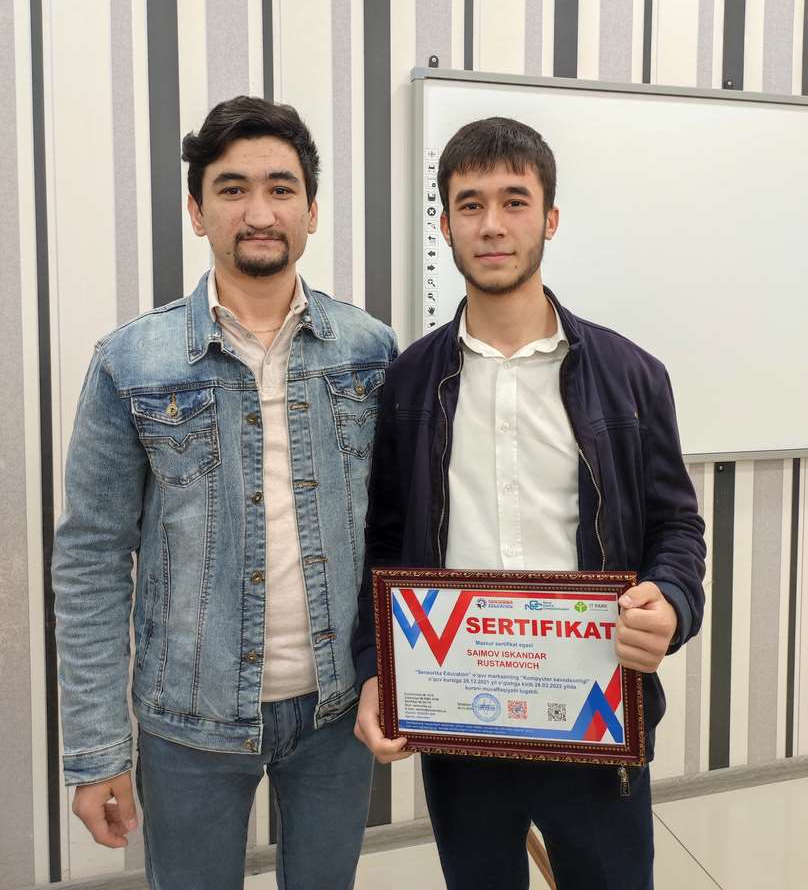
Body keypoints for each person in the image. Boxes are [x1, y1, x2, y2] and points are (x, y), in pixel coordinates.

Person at [352, 117, 706, 889]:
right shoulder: (409, 384)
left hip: (597, 713)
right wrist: (378, 667)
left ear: (550, 218)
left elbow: (677, 525)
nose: (492, 224)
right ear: (446, 225)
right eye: (470, 204)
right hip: (458, 721)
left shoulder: (632, 375)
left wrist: (674, 602)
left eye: (515, 201)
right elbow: (384, 541)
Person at [53, 96, 396, 890]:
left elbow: (397, 530)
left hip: (338, 712)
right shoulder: (131, 362)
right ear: (196, 209)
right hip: (188, 722)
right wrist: (97, 751)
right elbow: (91, 558)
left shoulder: (371, 351)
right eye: (232, 189)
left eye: (281, 188)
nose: (259, 212)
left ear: (312, 209)